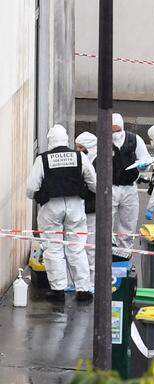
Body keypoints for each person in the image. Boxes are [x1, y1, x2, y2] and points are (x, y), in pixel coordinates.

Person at [26, 125, 97, 302]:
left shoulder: (43, 159)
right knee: (77, 248)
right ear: (66, 139)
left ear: (50, 141)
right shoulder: (79, 156)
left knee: (53, 248)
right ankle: (84, 289)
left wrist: (37, 196)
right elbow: (94, 182)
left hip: (51, 207)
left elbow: (31, 188)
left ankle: (58, 291)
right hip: (75, 205)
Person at [111, 113, 150, 249]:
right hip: (110, 188)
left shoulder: (134, 140)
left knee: (128, 224)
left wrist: (143, 166)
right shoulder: (103, 140)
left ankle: (125, 254)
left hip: (129, 187)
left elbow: (145, 158)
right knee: (106, 224)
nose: (115, 133)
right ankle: (107, 255)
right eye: (112, 130)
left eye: (118, 130)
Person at [74, 132, 98, 286]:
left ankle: (91, 280)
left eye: (81, 147)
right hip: (82, 208)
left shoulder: (98, 161)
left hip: (91, 207)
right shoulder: (84, 159)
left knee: (90, 246)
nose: (78, 151)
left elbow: (97, 187)